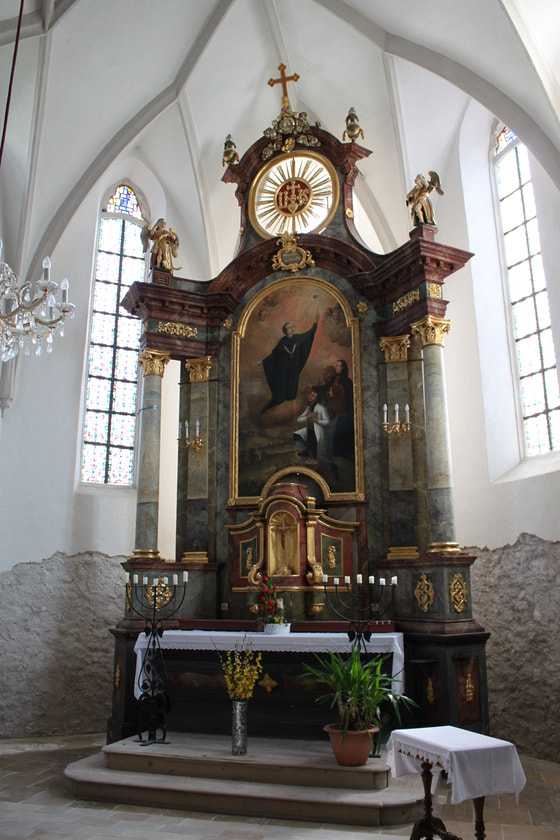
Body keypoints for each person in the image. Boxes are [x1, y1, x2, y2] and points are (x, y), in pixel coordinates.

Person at [261, 314, 318, 413]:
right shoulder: (282, 342)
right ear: (285, 330)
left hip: (294, 371)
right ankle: (276, 408)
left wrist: (315, 323)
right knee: (281, 393)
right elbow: (274, 355)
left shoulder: (299, 338)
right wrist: (263, 361)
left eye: (292, 327)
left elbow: (309, 334)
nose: (292, 329)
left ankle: (289, 412)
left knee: (292, 392)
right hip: (283, 372)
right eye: (289, 328)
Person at [293, 387, 331, 463]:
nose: (310, 397)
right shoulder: (309, 408)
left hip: (317, 433)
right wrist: (308, 416)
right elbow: (298, 419)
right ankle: (305, 451)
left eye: (313, 396)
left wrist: (317, 421)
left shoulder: (321, 408)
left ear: (317, 398)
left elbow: (327, 422)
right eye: (310, 395)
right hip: (309, 431)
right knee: (296, 435)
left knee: (316, 456)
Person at [328, 358, 354, 460]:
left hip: (344, 415)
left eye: (337, 366)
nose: (336, 368)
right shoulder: (335, 380)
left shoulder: (346, 382)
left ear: (343, 368)